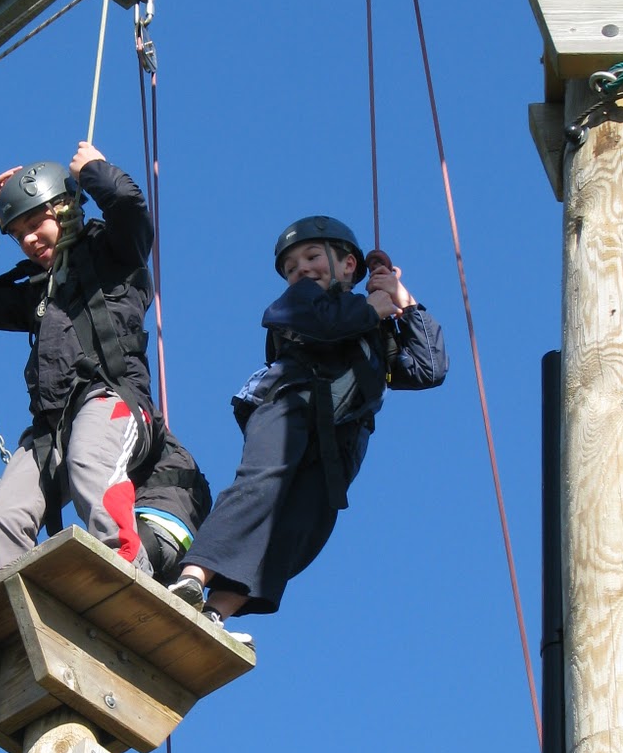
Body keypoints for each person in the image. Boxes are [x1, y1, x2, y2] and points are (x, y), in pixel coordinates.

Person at [168, 215, 447, 639]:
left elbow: (429, 369)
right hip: (289, 405)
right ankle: (193, 578)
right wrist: (370, 308)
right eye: (292, 267)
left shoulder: (373, 329)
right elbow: (322, 326)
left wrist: (405, 304)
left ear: (348, 264)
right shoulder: (298, 303)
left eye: (313, 257)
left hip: (339, 440)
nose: (302, 270)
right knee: (260, 485)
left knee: (302, 524)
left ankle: (216, 612)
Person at [0, 140, 206, 577]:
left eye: (34, 222)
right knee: (0, 518)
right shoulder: (37, 292)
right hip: (51, 429)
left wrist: (94, 170)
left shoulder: (114, 257)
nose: (27, 239)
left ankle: (129, 578)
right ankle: (29, 611)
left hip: (111, 400)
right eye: (17, 233)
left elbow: (127, 205)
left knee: (89, 464)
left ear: (63, 208)